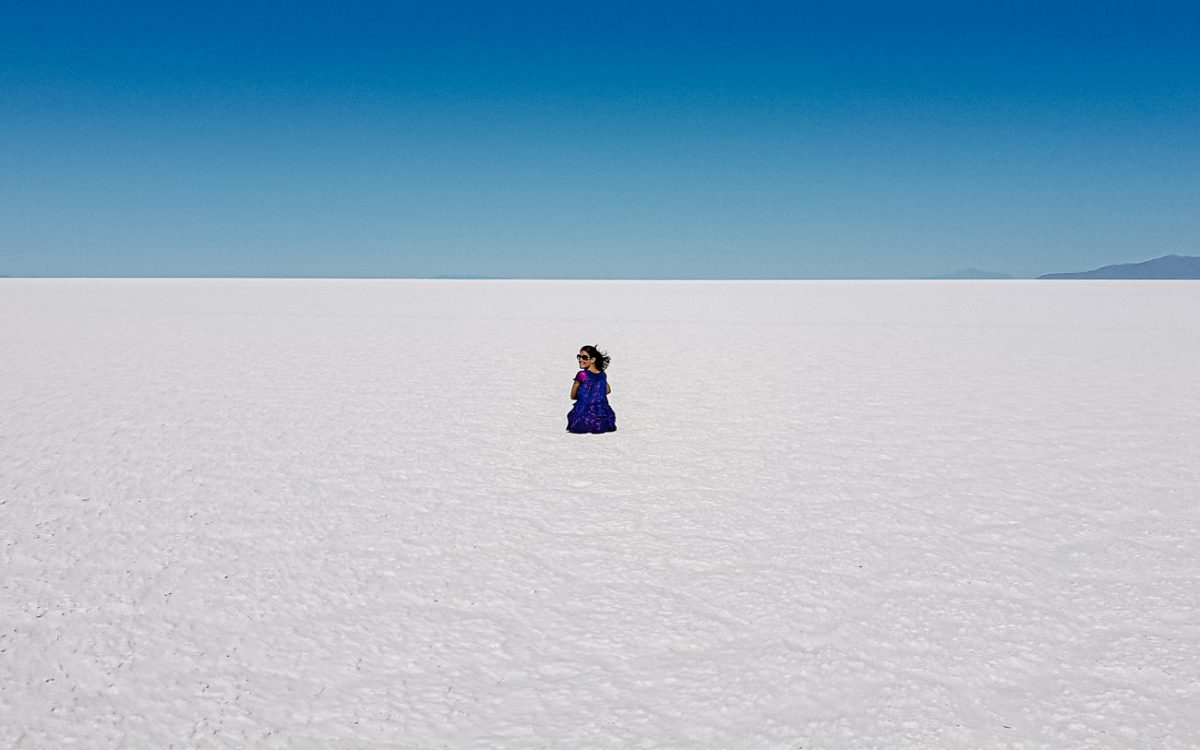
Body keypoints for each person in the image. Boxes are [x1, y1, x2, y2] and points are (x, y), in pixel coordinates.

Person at [567, 345, 617, 434]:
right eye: (579, 357)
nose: (580, 360)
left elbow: (573, 396)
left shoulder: (582, 375)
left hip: (583, 418)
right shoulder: (602, 375)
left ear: (593, 360)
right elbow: (608, 390)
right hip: (603, 418)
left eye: (584, 357)